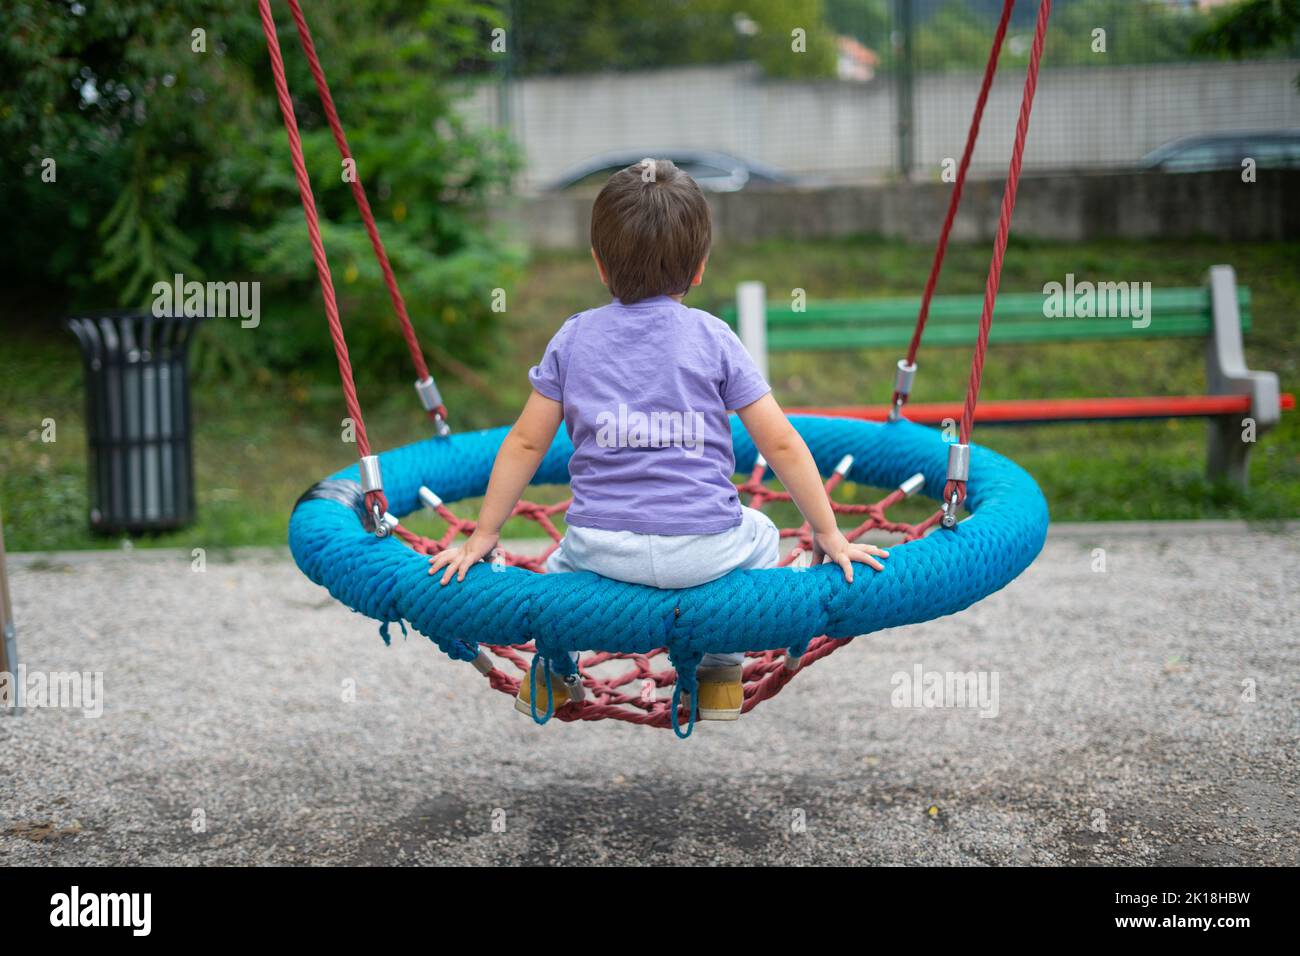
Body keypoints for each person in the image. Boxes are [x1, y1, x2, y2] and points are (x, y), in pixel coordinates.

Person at [429, 159, 887, 722]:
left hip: (602, 550)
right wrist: (828, 531)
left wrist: (486, 533)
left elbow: (525, 443)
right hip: (706, 550)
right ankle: (720, 670)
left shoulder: (574, 338)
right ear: (699, 269)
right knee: (764, 533)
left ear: (599, 264)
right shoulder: (714, 338)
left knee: (552, 585)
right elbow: (783, 445)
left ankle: (555, 672)